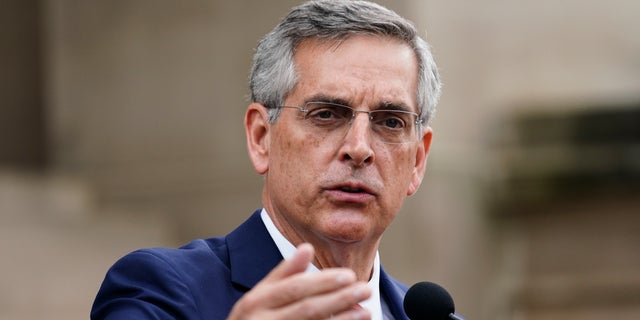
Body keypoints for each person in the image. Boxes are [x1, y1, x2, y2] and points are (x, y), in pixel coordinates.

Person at [91, 0, 441, 319]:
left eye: (390, 122)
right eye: (326, 115)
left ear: (417, 161)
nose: (359, 147)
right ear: (261, 137)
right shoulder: (159, 291)